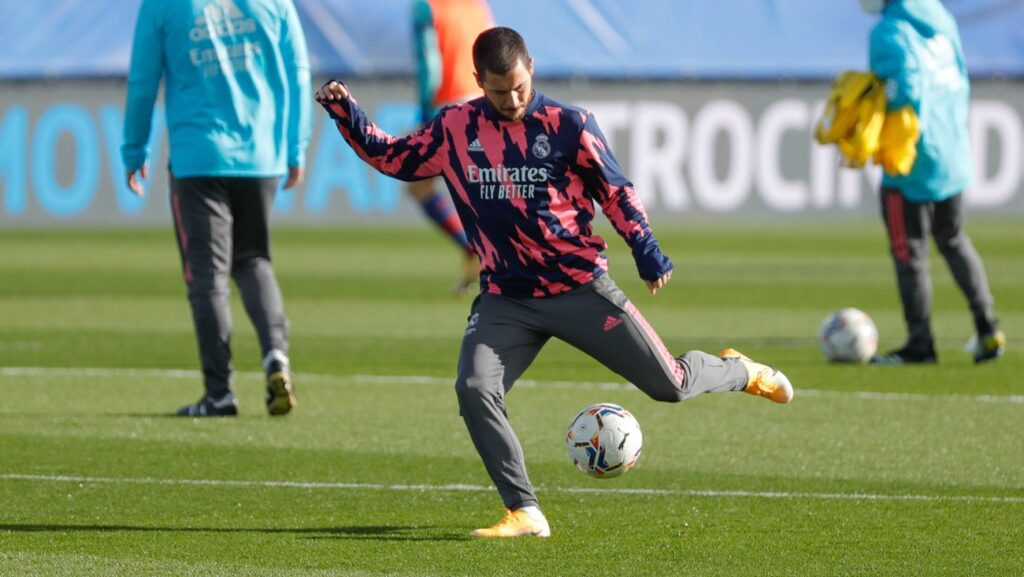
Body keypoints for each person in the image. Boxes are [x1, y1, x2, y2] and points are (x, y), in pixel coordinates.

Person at [315, 26, 794, 537]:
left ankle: (737, 371)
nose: (512, 99)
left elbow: (617, 192)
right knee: (475, 388)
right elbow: (394, 159)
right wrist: (347, 113)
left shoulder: (570, 124)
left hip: (580, 289)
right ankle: (524, 510)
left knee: (670, 386)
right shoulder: (455, 125)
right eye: (498, 91)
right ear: (478, 81)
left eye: (519, 87)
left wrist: (646, 249)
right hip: (506, 298)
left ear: (532, 69)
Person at [122, 0, 310, 416]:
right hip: (260, 156)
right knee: (253, 261)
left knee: (206, 277)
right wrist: (296, 144)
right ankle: (276, 357)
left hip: (198, 159)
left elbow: (142, 81)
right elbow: (298, 72)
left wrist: (134, 148)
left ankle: (219, 392)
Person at [858, 0, 1005, 364]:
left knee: (910, 254)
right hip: (953, 154)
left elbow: (905, 89)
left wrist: (868, 105)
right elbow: (958, 76)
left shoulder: (888, 30)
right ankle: (988, 328)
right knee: (954, 240)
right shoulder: (939, 16)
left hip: (912, 161)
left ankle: (920, 345)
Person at [410, 0, 493, 295]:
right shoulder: (476, 4)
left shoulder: (426, 6)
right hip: (484, 99)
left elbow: (428, 63)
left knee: (418, 186)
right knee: (486, 190)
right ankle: (481, 253)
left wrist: (424, 118)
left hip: (449, 104)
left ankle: (478, 253)